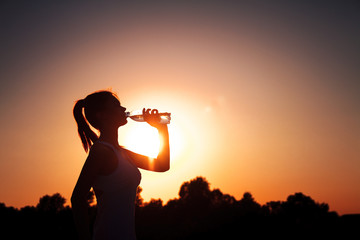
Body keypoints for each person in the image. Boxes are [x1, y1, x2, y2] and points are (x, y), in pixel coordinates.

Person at [71, 90, 170, 240]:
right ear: (102, 115)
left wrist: (161, 128)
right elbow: (77, 198)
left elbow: (162, 165)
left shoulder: (122, 153)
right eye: (116, 106)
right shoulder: (100, 152)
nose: (124, 109)